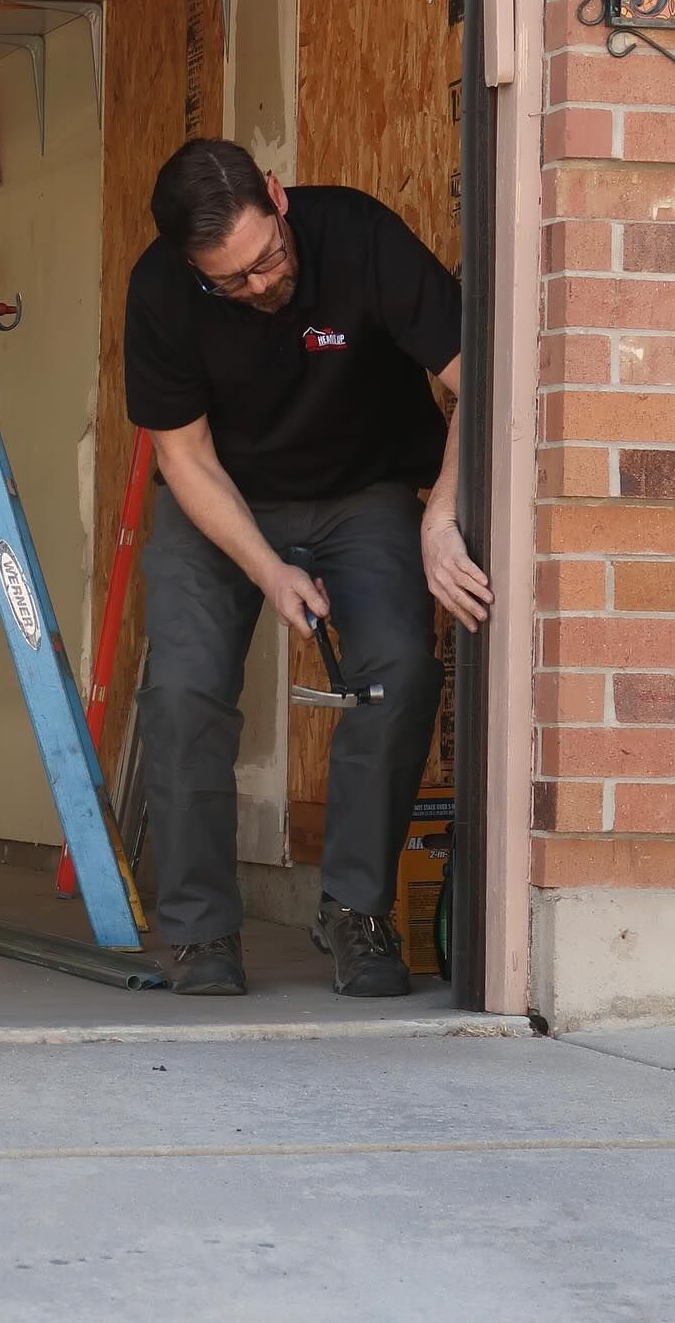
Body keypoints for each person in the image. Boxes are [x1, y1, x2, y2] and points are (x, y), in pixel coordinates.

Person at [124, 139, 493, 998]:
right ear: (190, 266)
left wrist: (441, 514)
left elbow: (481, 381)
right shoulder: (160, 290)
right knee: (182, 694)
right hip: (222, 499)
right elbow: (184, 459)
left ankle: (356, 913)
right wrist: (265, 570)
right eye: (232, 281)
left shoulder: (358, 235)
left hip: (363, 488)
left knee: (400, 671)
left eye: (266, 260)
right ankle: (197, 930)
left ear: (279, 199)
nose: (259, 287)